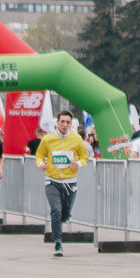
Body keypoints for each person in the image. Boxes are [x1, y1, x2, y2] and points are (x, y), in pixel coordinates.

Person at [34, 108, 94, 258]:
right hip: (52, 181)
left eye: (68, 122)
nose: (65, 125)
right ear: (57, 122)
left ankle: (61, 222)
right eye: (62, 121)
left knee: (65, 214)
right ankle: (58, 243)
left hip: (70, 182)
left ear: (70, 124)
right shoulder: (48, 139)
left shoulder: (76, 139)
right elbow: (39, 156)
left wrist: (77, 164)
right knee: (56, 210)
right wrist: (40, 164)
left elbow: (84, 158)